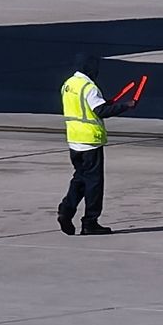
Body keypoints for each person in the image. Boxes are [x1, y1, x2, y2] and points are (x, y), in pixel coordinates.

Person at [56, 64, 111, 235]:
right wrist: (126, 106)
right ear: (91, 70)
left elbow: (83, 108)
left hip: (74, 140)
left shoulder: (69, 84)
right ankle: (90, 222)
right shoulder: (89, 87)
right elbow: (100, 110)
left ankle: (66, 210)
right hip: (90, 141)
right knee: (94, 183)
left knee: (80, 178)